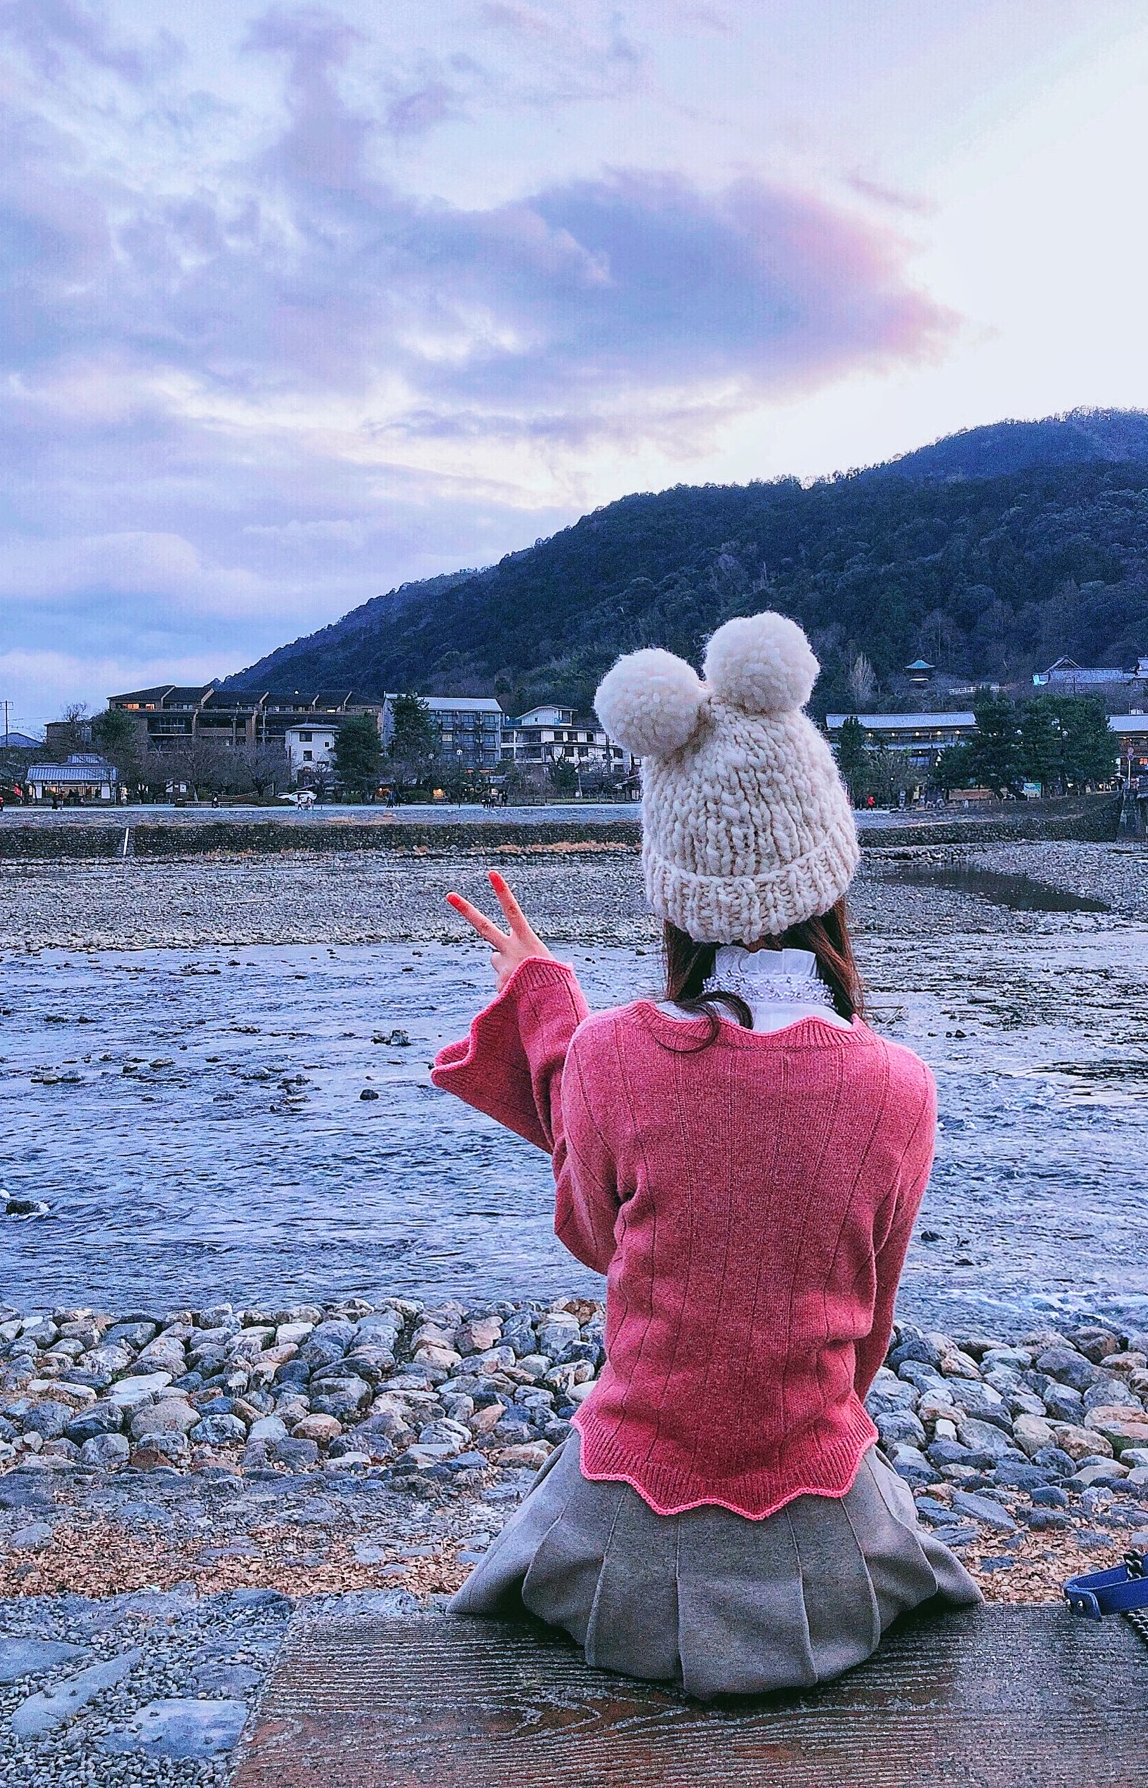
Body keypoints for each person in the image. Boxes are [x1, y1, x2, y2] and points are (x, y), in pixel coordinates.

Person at [432, 612, 978, 1699]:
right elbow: (867, 1329)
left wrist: (546, 1005)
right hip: (825, 1550)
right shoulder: (897, 1085)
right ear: (831, 873)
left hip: (618, 1548)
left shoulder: (607, 1056)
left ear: (672, 889)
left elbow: (600, 1236)